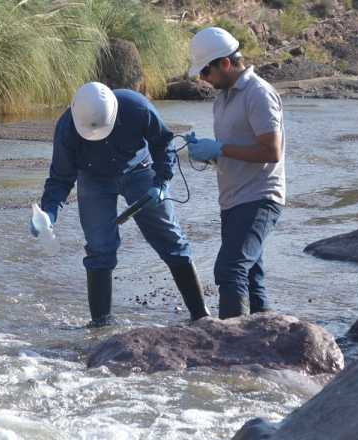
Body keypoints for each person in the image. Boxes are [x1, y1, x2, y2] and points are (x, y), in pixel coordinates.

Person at [31, 82, 210, 327]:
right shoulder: (67, 128)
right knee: (99, 247)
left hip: (139, 169)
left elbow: (163, 143)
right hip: (93, 179)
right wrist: (49, 213)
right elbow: (60, 178)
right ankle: (101, 326)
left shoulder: (136, 107)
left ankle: (201, 316)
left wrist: (162, 181)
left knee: (169, 238)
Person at [185, 27, 286, 318]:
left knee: (229, 270)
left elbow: (271, 152)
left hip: (260, 196)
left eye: (206, 72)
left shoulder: (259, 94)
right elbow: (235, 150)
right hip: (233, 200)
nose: (203, 79)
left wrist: (219, 149)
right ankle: (265, 341)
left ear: (225, 64)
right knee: (252, 277)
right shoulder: (223, 100)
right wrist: (210, 155)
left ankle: (231, 349)